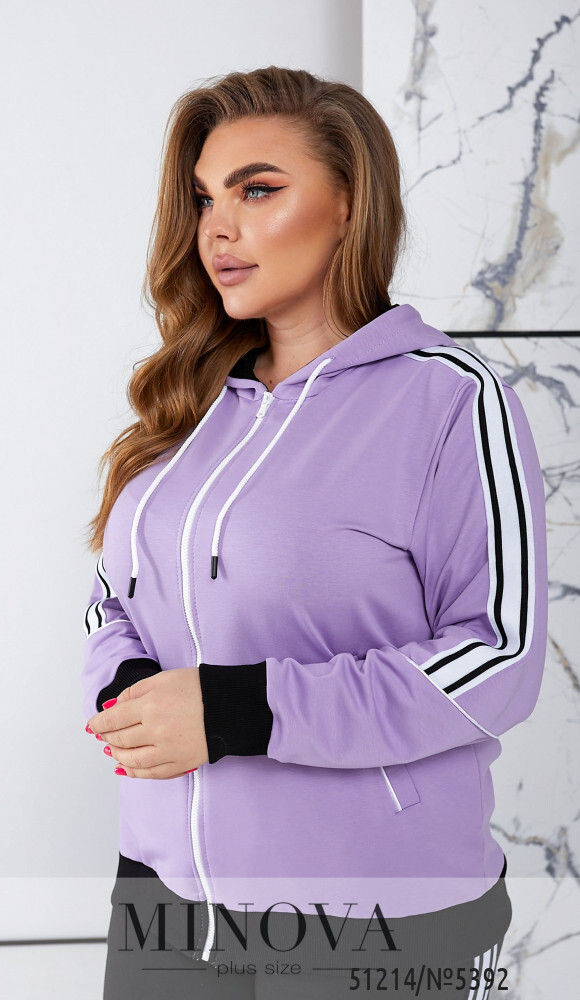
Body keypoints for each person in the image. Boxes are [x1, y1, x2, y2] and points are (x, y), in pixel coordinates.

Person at [80, 66, 548, 999]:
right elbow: (112, 597)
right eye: (204, 198)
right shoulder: (188, 403)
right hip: (165, 895)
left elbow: (498, 658)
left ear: (348, 206)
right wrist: (131, 690)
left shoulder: (450, 400)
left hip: (376, 916)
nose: (218, 228)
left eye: (257, 190)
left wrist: (237, 711)